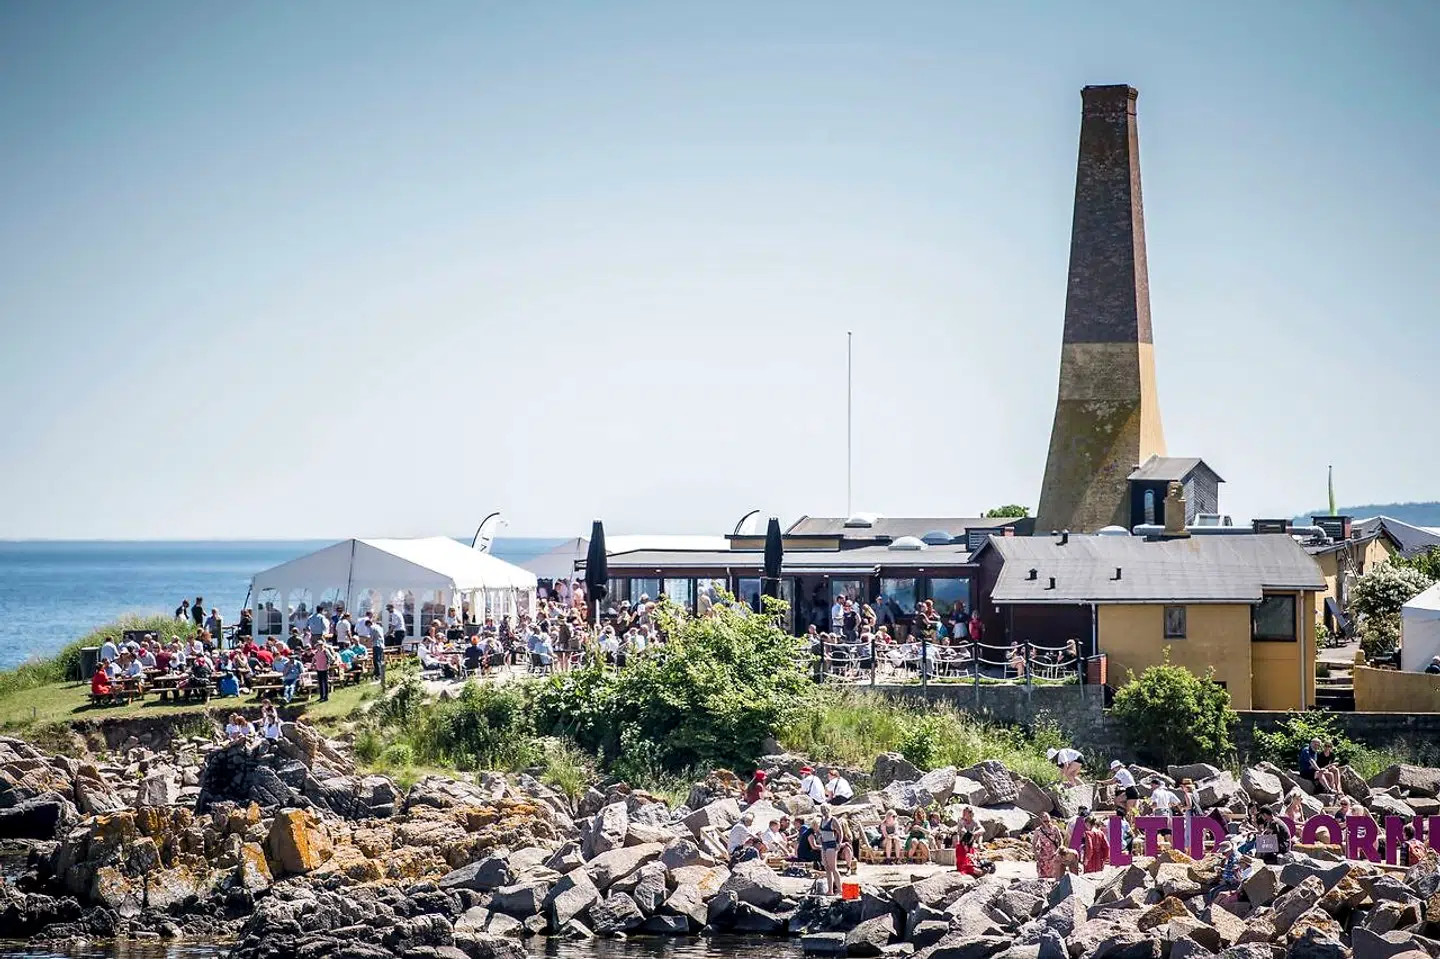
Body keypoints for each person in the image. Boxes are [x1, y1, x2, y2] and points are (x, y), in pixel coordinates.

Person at [817, 805, 843, 895]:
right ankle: (830, 890)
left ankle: (839, 889)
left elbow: (840, 832)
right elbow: (820, 831)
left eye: (825, 809)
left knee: (833, 867)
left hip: (831, 844)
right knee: (827, 868)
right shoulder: (822, 820)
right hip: (824, 844)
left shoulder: (833, 820)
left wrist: (839, 843)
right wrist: (820, 837)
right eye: (822, 810)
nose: (823, 811)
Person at [1032, 811, 1065, 879]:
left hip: (1054, 854)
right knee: (1042, 876)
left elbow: (1060, 839)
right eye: (1045, 821)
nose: (1047, 822)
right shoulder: (1038, 830)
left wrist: (1060, 849)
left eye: (1048, 820)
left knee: (1054, 875)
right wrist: (1035, 854)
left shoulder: (1055, 828)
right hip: (1043, 855)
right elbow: (1034, 842)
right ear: (1041, 820)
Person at [312, 638, 331, 702]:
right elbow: (314, 658)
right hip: (318, 668)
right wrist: (312, 664)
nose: (319, 646)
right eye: (318, 645)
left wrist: (328, 664)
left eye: (320, 645)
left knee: (325, 683)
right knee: (320, 683)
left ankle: (326, 696)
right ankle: (321, 696)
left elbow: (331, 658)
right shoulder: (316, 652)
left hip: (324, 668)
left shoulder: (325, 651)